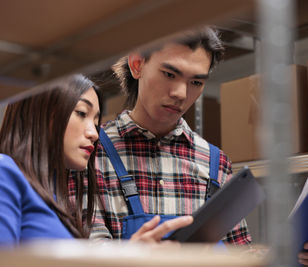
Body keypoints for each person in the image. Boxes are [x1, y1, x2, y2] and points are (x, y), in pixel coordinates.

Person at [79, 26, 308, 265]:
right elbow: (83, 252)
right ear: (137, 64)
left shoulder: (214, 162)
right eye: (170, 74)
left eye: (196, 82)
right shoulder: (90, 150)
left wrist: (295, 257)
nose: (181, 93)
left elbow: (237, 251)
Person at [0, 74, 192, 247]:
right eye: (82, 113)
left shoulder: (55, 197)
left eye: (95, 122)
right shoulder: (4, 172)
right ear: (41, 112)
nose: (94, 133)